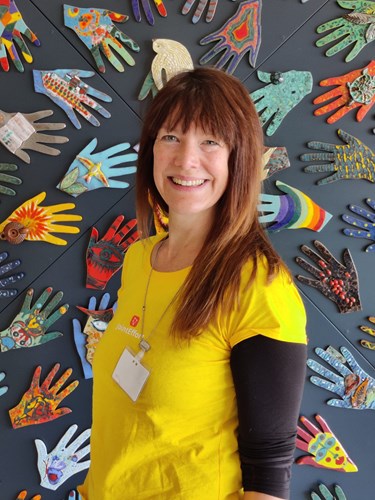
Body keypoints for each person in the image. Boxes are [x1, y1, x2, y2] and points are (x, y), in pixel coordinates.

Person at [79, 67, 307, 500]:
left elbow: (270, 472)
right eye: (171, 137)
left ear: (236, 158)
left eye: (210, 141)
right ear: (151, 150)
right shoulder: (138, 258)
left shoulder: (258, 285)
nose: (186, 160)